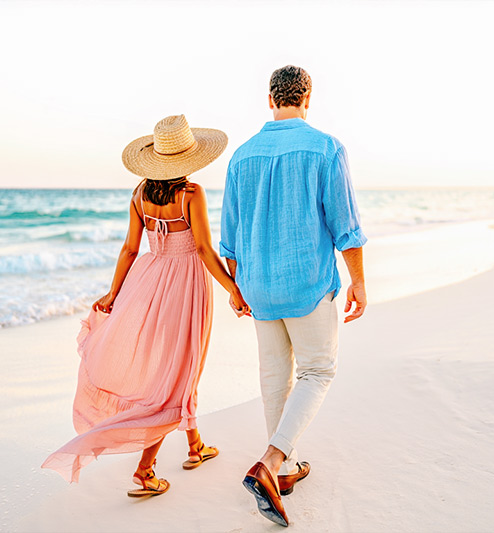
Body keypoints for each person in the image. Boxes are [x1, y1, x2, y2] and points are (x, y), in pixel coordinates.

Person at [42, 115, 250, 497]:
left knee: (175, 367)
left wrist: (113, 293)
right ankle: (145, 470)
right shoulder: (191, 194)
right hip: (186, 284)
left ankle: (195, 446)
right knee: (179, 371)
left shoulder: (140, 194)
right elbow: (204, 249)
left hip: (149, 280)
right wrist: (233, 289)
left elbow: (129, 249)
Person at [220, 65, 367, 526]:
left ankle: (285, 470)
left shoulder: (242, 156)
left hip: (258, 285)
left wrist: (237, 287)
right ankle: (271, 461)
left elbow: (230, 236)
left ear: (270, 99)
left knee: (274, 378)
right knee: (318, 371)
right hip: (306, 281)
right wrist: (359, 281)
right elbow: (345, 225)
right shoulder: (326, 148)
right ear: (307, 98)